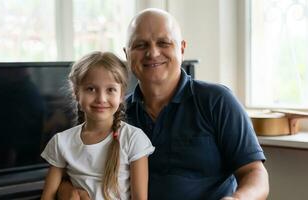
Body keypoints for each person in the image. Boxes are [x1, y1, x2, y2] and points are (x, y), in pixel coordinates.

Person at [57, 8, 269, 200]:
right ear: (126, 54)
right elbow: (74, 166)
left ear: (182, 48)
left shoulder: (218, 101)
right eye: (140, 45)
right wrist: (67, 189)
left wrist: (237, 199)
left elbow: (254, 173)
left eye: (163, 43)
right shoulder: (114, 113)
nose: (153, 53)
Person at [40, 51, 155, 200]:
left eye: (110, 90)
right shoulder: (61, 142)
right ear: (76, 93)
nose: (101, 98)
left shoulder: (133, 138)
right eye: (91, 89)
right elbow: (47, 196)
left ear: (121, 95)